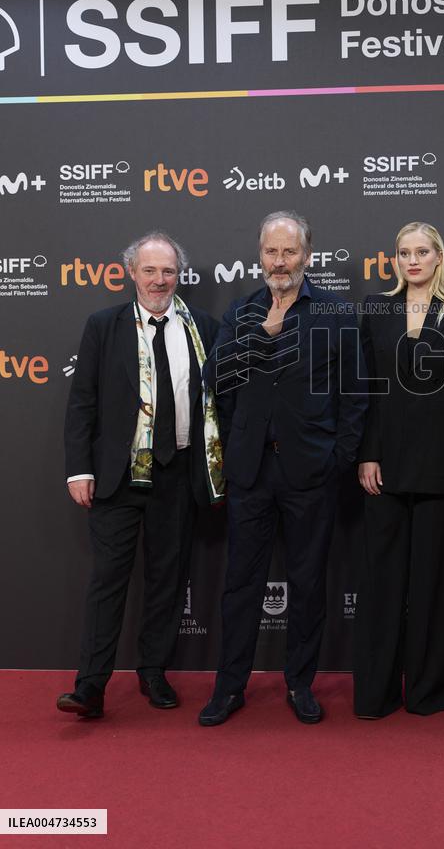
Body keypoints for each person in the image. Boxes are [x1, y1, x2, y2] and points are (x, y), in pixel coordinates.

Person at [199, 211, 367, 726]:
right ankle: (230, 688)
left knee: (308, 583)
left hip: (310, 473)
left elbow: (355, 396)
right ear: (260, 257)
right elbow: (216, 378)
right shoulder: (243, 311)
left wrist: (337, 459)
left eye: (289, 252)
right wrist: (264, 334)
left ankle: (300, 684)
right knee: (240, 585)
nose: (279, 261)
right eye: (271, 252)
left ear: (307, 256)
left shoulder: (336, 312)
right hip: (250, 473)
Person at [57, 232, 223, 720]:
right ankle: (90, 687)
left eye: (168, 271)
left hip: (178, 475)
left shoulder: (205, 329)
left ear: (179, 276)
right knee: (108, 581)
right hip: (117, 478)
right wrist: (78, 470)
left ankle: (154, 672)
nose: (159, 280)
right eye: (149, 270)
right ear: (132, 273)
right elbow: (82, 403)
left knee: (167, 582)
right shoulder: (103, 326)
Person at [353, 222, 444, 718]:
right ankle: (376, 693)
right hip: (383, 467)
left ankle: (427, 693)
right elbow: (365, 390)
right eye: (403, 252)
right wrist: (366, 452)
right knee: (381, 584)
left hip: (439, 468)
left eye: (421, 251)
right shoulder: (376, 309)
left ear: (438, 256)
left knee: (430, 583)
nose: (412, 260)